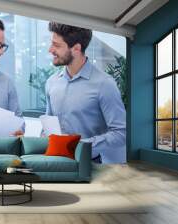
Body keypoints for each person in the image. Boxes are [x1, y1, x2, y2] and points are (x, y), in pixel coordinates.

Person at [45, 22, 126, 164]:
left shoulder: (104, 84)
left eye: (57, 45)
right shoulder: (51, 83)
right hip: (57, 163)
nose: (50, 50)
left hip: (92, 166)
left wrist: (78, 146)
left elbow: (121, 133)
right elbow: (48, 125)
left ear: (76, 48)